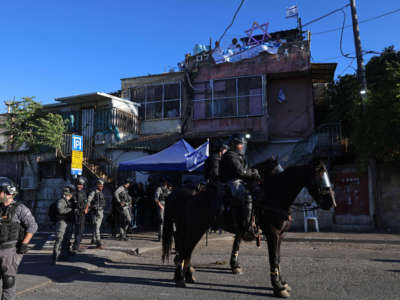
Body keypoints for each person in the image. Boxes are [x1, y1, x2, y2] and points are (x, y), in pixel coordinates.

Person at [0, 179, 37, 300]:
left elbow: (33, 226)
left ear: (7, 192)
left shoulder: (20, 208)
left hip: (10, 250)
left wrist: (24, 243)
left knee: (8, 281)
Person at [220, 133, 260, 235]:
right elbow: (240, 172)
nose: (242, 146)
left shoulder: (239, 156)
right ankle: (246, 226)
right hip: (231, 182)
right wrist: (252, 173)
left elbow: (245, 170)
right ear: (233, 144)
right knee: (247, 196)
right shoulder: (230, 155)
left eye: (243, 144)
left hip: (240, 181)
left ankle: (255, 221)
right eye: (240, 144)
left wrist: (252, 172)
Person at [53, 185, 75, 264]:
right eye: (70, 194)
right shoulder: (61, 201)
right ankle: (55, 256)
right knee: (59, 239)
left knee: (66, 240)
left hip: (68, 222)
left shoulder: (69, 201)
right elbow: (60, 210)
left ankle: (63, 255)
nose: (71, 195)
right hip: (62, 222)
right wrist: (70, 209)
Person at [88, 179, 106, 249]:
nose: (102, 187)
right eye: (100, 185)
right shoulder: (94, 192)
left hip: (100, 211)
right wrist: (89, 207)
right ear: (97, 185)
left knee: (96, 226)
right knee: (96, 227)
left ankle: (93, 238)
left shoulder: (101, 192)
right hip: (95, 212)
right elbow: (89, 200)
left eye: (102, 186)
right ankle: (98, 242)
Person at [72, 177, 88, 252]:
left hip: (82, 214)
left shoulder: (84, 192)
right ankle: (75, 246)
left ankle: (76, 245)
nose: (80, 186)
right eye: (79, 184)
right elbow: (74, 203)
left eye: (81, 185)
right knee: (76, 230)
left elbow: (86, 201)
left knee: (81, 230)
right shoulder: (73, 192)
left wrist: (87, 208)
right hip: (76, 213)